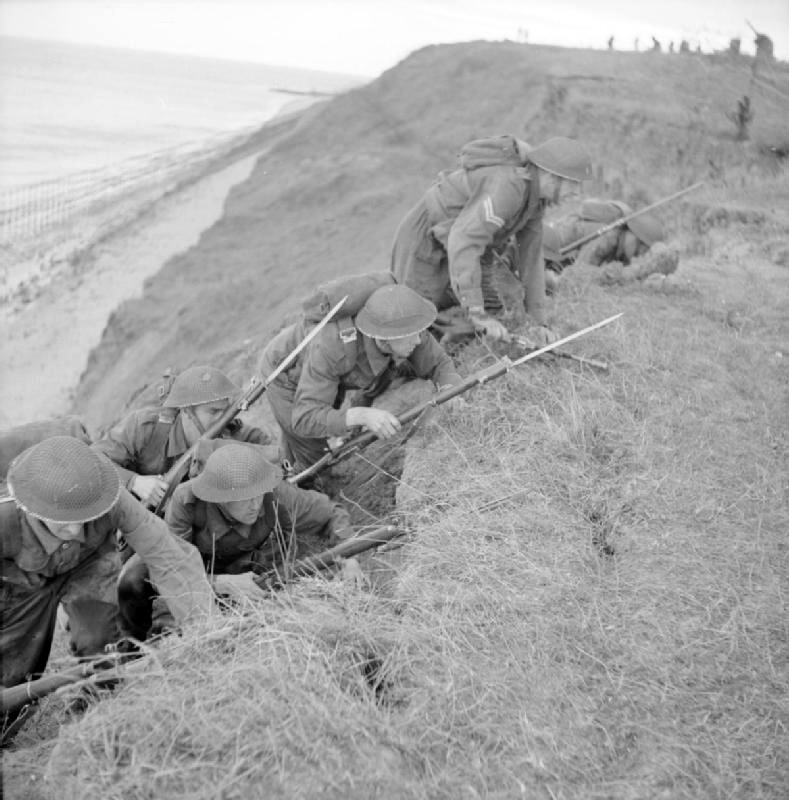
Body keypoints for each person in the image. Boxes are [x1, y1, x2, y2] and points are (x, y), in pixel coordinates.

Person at [1, 436, 213, 739]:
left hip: (88, 565)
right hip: (23, 583)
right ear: (33, 510)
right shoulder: (5, 516)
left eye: (82, 519)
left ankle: (99, 711)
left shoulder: (108, 495)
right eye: (63, 522)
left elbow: (169, 555)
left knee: (99, 644)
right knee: (13, 670)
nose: (74, 530)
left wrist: (202, 631)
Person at [390, 134, 593, 344]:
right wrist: (476, 311)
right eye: (574, 184)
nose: (577, 193)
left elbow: (531, 259)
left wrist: (539, 322)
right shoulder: (508, 187)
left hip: (469, 245)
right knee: (414, 315)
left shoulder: (535, 200)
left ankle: (463, 348)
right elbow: (464, 240)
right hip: (426, 236)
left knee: (505, 301)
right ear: (551, 175)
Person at [258, 284, 462, 472]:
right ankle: (287, 476)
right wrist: (361, 416)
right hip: (284, 371)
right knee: (314, 458)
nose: (419, 340)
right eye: (413, 336)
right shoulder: (333, 348)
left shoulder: (402, 325)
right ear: (383, 338)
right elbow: (304, 417)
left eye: (420, 333)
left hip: (328, 368)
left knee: (339, 412)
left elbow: (439, 364)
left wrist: (450, 391)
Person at [92, 365, 273, 510]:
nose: (222, 419)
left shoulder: (228, 432)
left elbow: (267, 447)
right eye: (213, 412)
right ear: (187, 411)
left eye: (225, 411)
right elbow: (92, 460)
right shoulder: (144, 427)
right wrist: (134, 482)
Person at [542, 199, 665, 273]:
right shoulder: (608, 237)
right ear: (632, 234)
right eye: (638, 249)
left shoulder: (621, 248)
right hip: (546, 249)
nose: (636, 255)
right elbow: (580, 272)